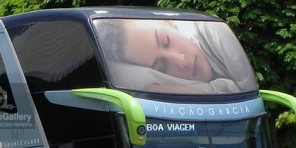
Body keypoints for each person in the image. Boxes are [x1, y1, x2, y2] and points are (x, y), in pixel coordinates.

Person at [96, 19, 258, 94]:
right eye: (162, 67)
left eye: (166, 41)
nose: (181, 61)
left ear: (168, 22)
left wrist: (205, 91)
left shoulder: (215, 33)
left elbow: (247, 99)